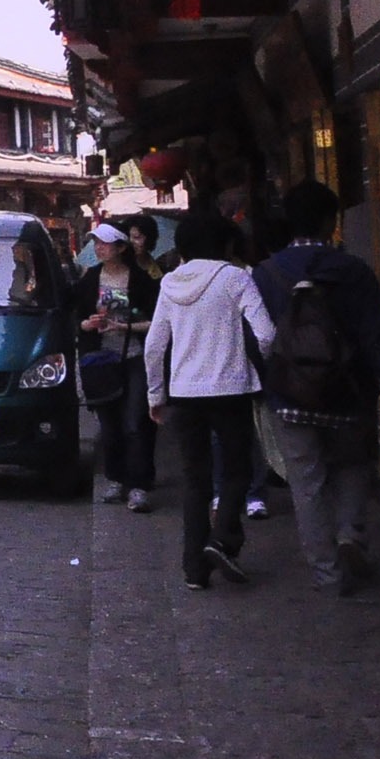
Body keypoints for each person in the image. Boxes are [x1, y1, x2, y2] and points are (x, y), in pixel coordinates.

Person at [254, 181, 380, 596]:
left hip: (290, 396)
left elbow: (261, 339)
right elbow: (379, 335)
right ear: (330, 221)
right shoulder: (353, 270)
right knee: (355, 467)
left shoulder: (267, 273)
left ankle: (327, 573)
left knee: (307, 482)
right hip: (350, 391)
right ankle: (349, 534)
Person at [144, 213, 275, 591]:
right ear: (226, 244)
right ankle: (222, 540)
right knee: (237, 472)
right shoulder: (235, 278)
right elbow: (265, 334)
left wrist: (156, 394)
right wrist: (258, 367)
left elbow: (154, 346)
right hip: (230, 391)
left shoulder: (170, 283)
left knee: (195, 481)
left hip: (184, 394)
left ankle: (194, 571)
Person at [73, 221, 160, 511]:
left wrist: (124, 326)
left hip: (134, 357)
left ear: (121, 247)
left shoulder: (141, 280)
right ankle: (115, 478)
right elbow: (78, 319)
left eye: (105, 243)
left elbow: (157, 322)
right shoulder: (89, 280)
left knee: (135, 422)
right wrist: (88, 324)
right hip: (100, 362)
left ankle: (139, 484)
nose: (99, 248)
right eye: (96, 242)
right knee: (109, 425)